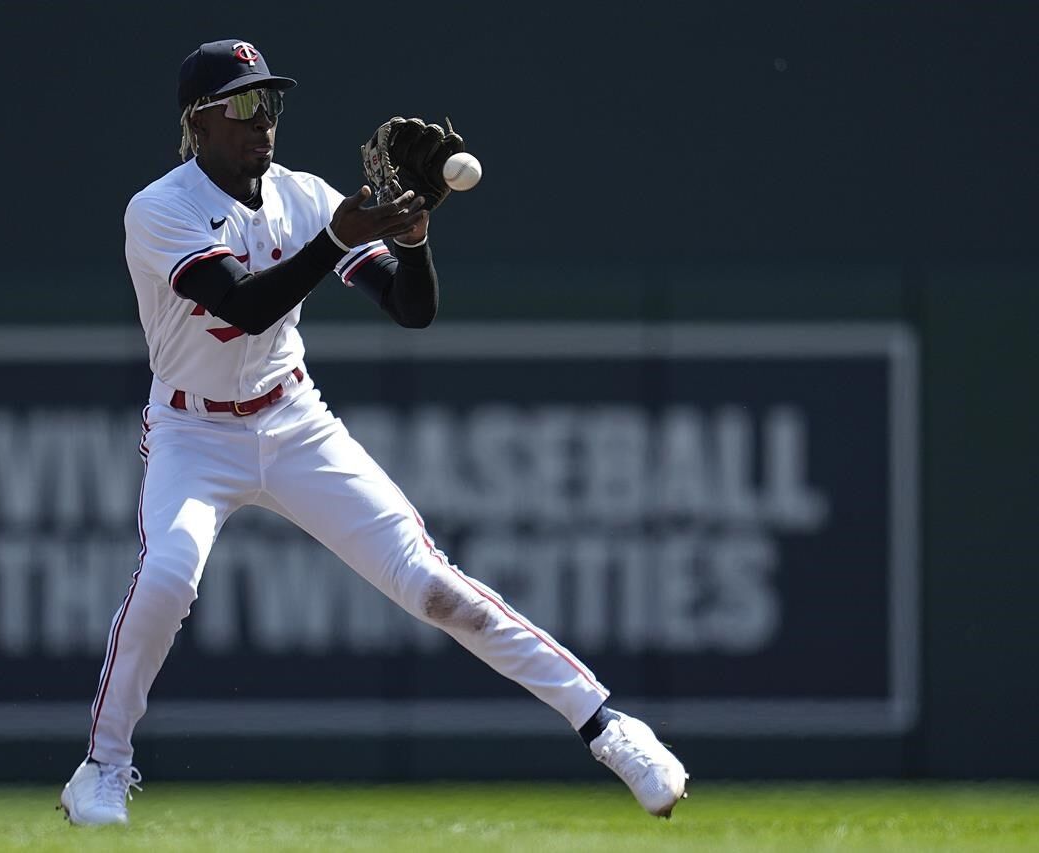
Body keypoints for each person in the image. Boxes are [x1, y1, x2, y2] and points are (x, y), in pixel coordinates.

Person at [59, 37, 687, 826]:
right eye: (245, 105)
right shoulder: (161, 208)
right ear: (200, 121)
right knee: (167, 578)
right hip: (193, 431)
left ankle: (608, 725)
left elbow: (411, 309)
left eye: (273, 103)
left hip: (291, 418)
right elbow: (244, 302)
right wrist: (337, 238)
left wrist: (414, 237)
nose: (265, 122)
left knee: (433, 585)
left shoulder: (304, 195)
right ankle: (102, 767)